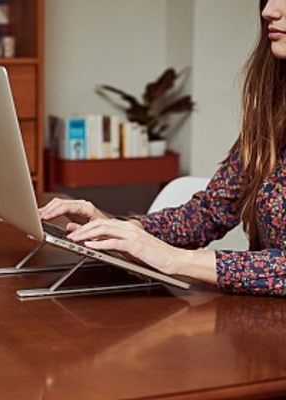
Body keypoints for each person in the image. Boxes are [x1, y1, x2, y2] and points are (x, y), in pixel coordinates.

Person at [40, 0, 286, 297]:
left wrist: (176, 260)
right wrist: (117, 228)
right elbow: (208, 214)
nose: (268, 10)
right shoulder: (272, 117)